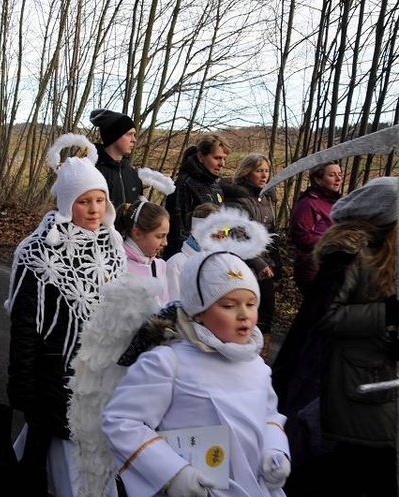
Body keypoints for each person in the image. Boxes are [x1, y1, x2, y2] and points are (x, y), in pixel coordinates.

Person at [102, 247, 290, 497]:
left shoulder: (256, 365)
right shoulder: (168, 362)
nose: (244, 315)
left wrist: (275, 450)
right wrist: (174, 473)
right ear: (199, 312)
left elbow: (268, 415)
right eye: (229, 305)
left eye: (251, 303)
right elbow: (121, 421)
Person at [5, 133, 126, 497]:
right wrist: (22, 385)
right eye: (83, 201)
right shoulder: (38, 252)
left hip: (100, 379)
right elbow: (25, 324)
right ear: (65, 203)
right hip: (53, 375)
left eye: (99, 200)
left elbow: (120, 313)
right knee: (55, 465)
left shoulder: (113, 248)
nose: (93, 209)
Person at [272, 176, 397, 497]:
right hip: (339, 378)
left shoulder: (383, 252)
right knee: (342, 464)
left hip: (373, 374)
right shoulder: (348, 255)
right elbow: (326, 315)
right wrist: (387, 314)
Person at [221, 153, 282, 361]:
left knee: (267, 313)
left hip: (267, 264)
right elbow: (237, 234)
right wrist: (258, 262)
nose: (264, 175)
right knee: (247, 313)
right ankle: (242, 355)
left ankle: (261, 359)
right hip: (245, 264)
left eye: (266, 171)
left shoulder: (266, 198)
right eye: (259, 170)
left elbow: (271, 232)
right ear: (247, 172)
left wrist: (276, 260)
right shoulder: (236, 198)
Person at [164, 134, 228, 258]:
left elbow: (223, 225)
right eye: (217, 158)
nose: (222, 164)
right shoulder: (183, 184)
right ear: (200, 157)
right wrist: (185, 259)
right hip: (187, 259)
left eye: (224, 159)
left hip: (212, 256)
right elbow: (178, 230)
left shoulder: (216, 187)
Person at [288, 162, 342, 297]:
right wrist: (334, 241)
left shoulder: (337, 202)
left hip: (332, 266)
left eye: (340, 175)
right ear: (318, 179)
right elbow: (301, 237)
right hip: (313, 268)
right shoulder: (308, 203)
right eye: (332, 175)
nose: (338, 179)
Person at [114, 198, 170, 307]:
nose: (165, 243)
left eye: (166, 236)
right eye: (159, 236)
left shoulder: (159, 265)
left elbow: (165, 304)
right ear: (137, 233)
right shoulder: (118, 265)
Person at [165, 202, 219, 300]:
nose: (221, 239)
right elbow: (174, 304)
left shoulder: (222, 262)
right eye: (214, 235)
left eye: (224, 233)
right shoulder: (176, 264)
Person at [89, 109, 142, 206]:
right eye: (129, 134)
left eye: (134, 135)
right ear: (114, 136)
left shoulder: (133, 175)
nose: (134, 140)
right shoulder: (92, 173)